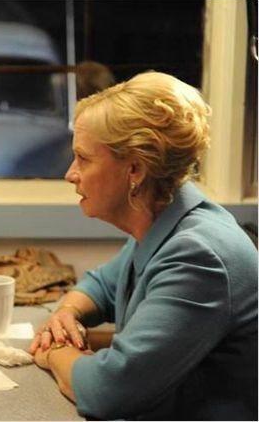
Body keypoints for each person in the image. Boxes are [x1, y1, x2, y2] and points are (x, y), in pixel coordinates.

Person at [28, 71, 257, 420]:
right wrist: (66, 313)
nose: (70, 174)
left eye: (84, 158)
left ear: (135, 170)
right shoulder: (165, 222)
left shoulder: (198, 256)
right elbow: (103, 286)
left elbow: (107, 392)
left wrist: (54, 350)